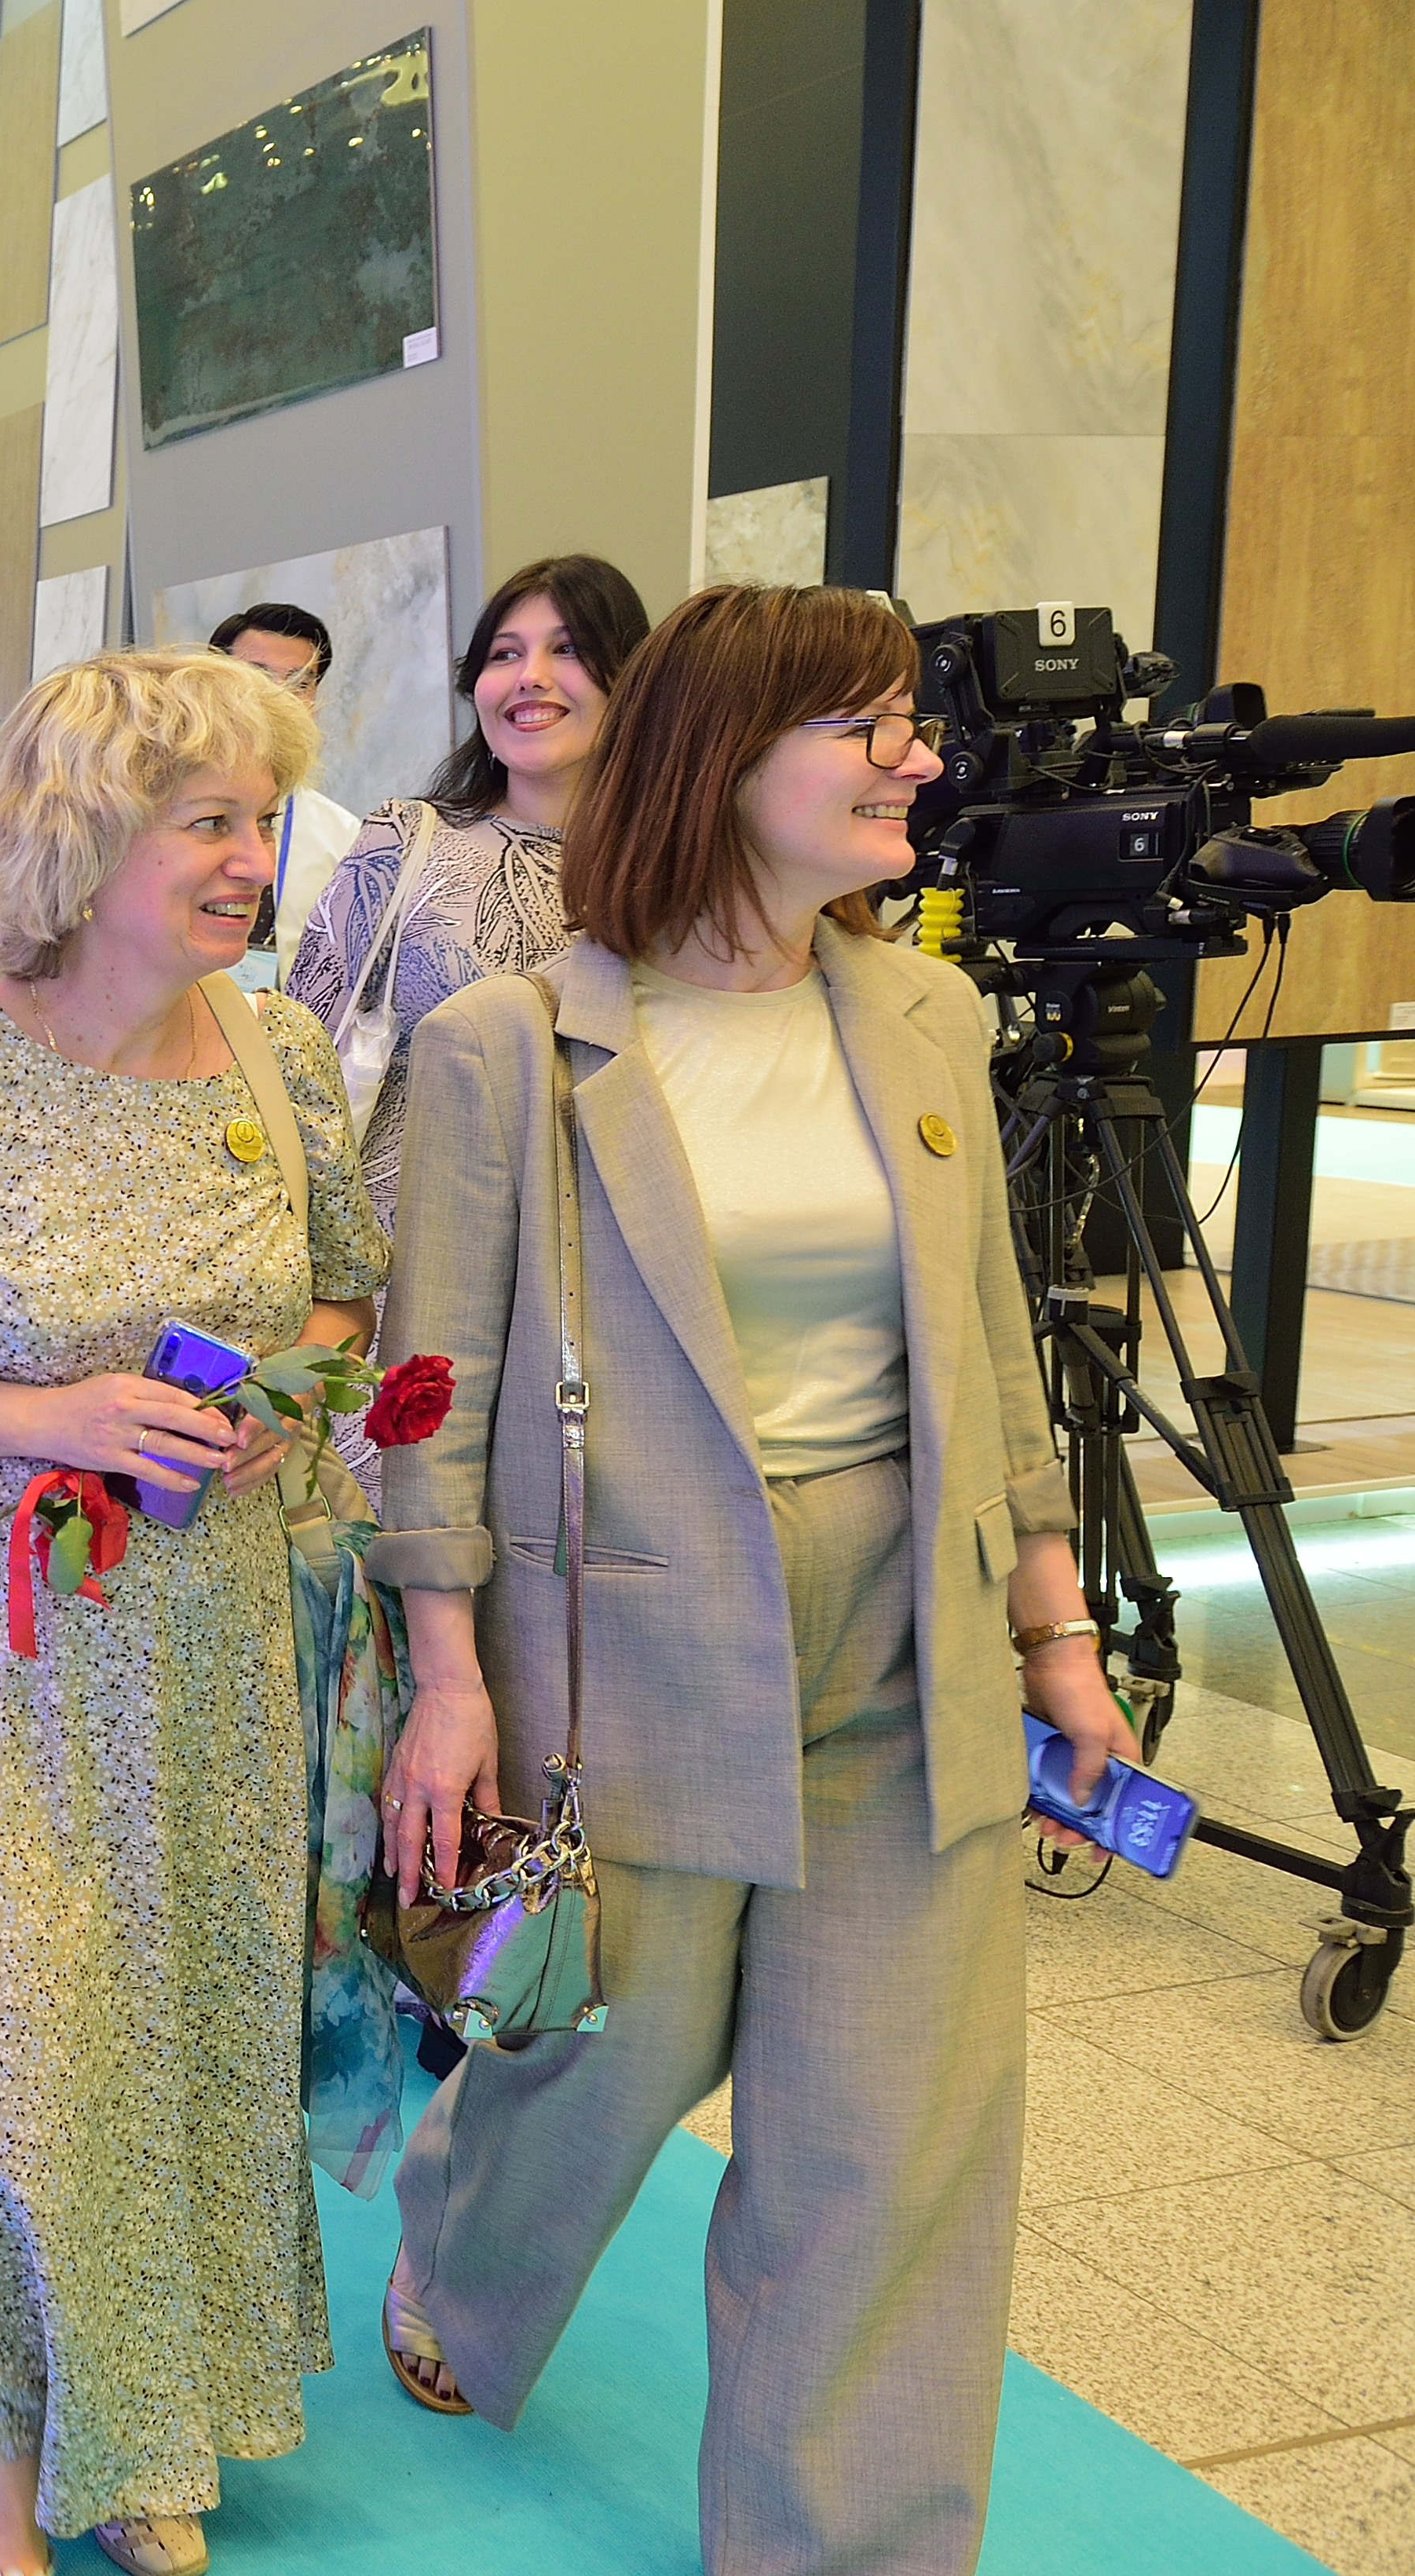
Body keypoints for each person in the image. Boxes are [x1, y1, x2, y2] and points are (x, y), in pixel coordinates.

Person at [367, 585, 1136, 2574]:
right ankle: (457, 2237)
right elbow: (430, 1393)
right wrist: (446, 1672)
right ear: (725, 757)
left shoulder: (925, 1014)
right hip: (628, 1640)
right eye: (868, 727)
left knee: (886, 2142)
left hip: (910, 1630)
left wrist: (1055, 1630)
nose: (919, 759)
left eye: (911, 724)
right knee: (601, 2067)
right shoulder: (511, 1047)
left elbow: (990, 1348)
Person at [0, 650, 384, 2576]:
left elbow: (344, 1302)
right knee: (18, 2054)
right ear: (84, 836)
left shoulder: (281, 1061)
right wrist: (57, 1417)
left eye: (260, 819)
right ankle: (14, 2459)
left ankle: (144, 2425)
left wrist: (276, 1401)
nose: (251, 857)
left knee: (174, 2039)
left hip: (207, 1639)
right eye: (207, 820)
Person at [283, 554, 651, 1236]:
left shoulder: (674, 872)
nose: (529, 676)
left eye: (568, 649)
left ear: (632, 677)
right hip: (408, 1250)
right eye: (504, 654)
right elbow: (299, 1056)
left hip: (608, 1251)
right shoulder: (405, 840)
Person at [204, 604, 359, 980]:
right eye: (257, 678)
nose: (279, 698)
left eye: (300, 684)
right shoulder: (161, 812)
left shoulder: (344, 837)